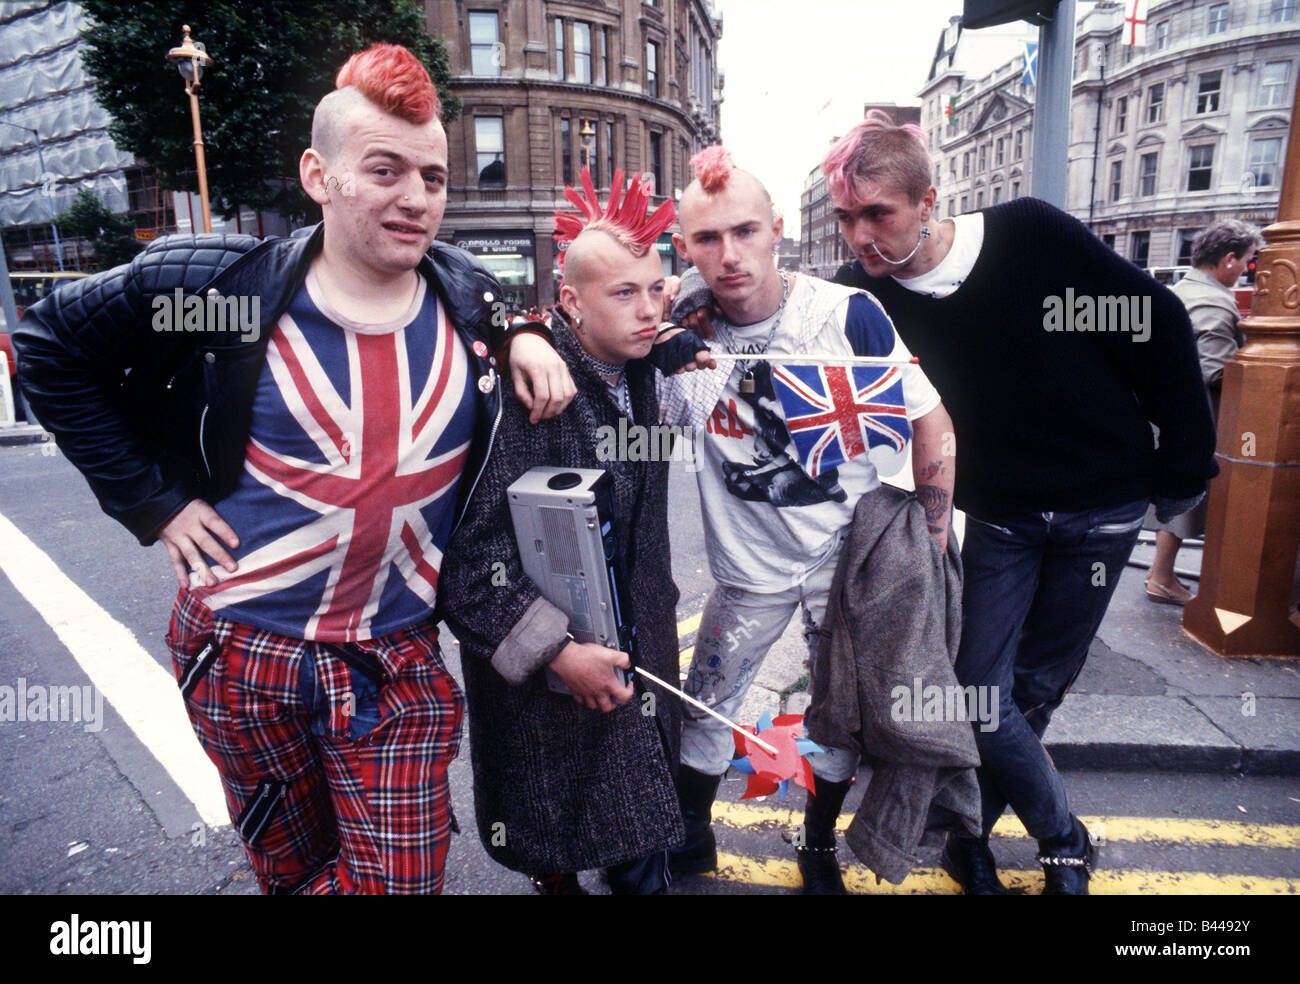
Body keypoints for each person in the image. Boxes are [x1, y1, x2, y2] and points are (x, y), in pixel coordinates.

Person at [12, 44, 575, 894]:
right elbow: (49, 346)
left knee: (396, 884)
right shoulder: (220, 289)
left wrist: (523, 327)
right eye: (384, 170)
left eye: (434, 177)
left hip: (395, 659)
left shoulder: (471, 304)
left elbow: (490, 295)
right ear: (320, 174)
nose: (416, 199)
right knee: (289, 870)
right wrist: (152, 503)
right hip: (240, 652)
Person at [819, 111, 1217, 893]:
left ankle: (971, 834)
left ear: (927, 200)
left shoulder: (1031, 236)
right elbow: (769, 315)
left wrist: (1184, 467)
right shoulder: (861, 300)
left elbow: (1158, 322)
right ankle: (1063, 837)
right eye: (844, 217)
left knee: (1038, 686)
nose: (859, 237)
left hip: (1101, 505)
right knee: (977, 688)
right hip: (997, 517)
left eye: (877, 214)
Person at [663, 146, 956, 894]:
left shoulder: (846, 313)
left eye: (746, 231)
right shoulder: (678, 331)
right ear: (683, 245)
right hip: (747, 567)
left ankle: (818, 843)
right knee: (709, 704)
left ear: (777, 229)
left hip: (842, 559)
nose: (729, 256)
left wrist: (928, 543)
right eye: (706, 239)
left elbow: (931, 421)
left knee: (841, 714)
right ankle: (691, 839)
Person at [438, 169, 685, 894]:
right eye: (624, 294)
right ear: (570, 302)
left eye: (656, 290)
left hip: (636, 655)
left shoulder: (642, 370)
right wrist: (556, 651)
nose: (648, 311)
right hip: (549, 676)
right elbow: (468, 564)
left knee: (639, 841)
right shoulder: (530, 395)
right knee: (557, 838)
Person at [1144, 220, 1261, 606]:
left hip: (1166, 410)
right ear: (1228, 259)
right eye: (1246, 261)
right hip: (1196, 416)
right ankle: (1161, 577)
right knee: (1186, 495)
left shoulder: (1185, 289)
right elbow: (1214, 370)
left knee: (1175, 495)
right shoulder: (1212, 300)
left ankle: (1160, 575)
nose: (1247, 268)